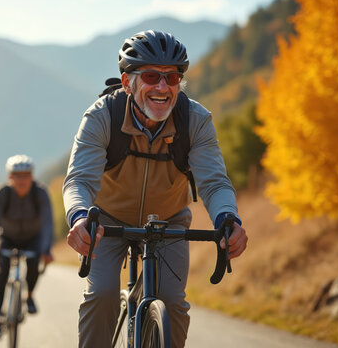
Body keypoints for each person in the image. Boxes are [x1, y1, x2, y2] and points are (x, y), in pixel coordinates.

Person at [63, 30, 248, 348]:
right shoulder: (101, 117)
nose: (163, 87)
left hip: (169, 222)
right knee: (102, 294)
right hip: (107, 222)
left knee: (172, 305)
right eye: (151, 76)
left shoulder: (196, 121)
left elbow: (214, 183)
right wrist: (79, 217)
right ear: (127, 82)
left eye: (172, 78)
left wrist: (227, 219)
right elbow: (79, 181)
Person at [0, 154, 55, 341]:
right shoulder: (2, 193)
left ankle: (29, 295)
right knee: (1, 275)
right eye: (17, 176)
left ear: (32, 176)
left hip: (33, 238)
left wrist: (46, 250)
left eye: (26, 175)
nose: (22, 180)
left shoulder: (40, 193)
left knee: (33, 264)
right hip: (7, 238)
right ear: (10, 177)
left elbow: (47, 223)